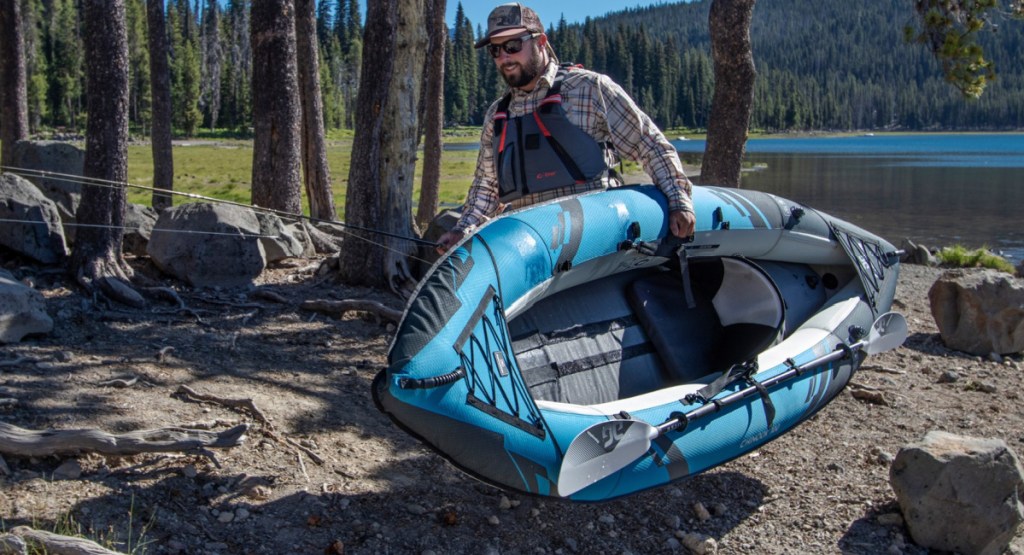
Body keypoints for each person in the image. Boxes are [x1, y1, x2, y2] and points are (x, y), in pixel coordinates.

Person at [436, 2, 697, 254]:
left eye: (513, 46)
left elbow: (649, 145)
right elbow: (487, 186)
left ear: (540, 42)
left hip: (596, 237)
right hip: (531, 245)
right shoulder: (497, 115)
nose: (504, 57)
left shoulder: (589, 88)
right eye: (495, 50)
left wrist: (678, 200)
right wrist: (463, 229)